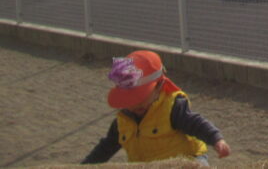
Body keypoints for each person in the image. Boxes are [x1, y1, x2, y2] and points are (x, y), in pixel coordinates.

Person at [82, 50, 231, 165]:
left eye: (141, 98)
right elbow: (106, 148)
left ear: (159, 86)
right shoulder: (123, 121)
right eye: (130, 100)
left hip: (187, 161)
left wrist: (217, 140)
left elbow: (195, 123)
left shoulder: (172, 107)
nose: (135, 105)